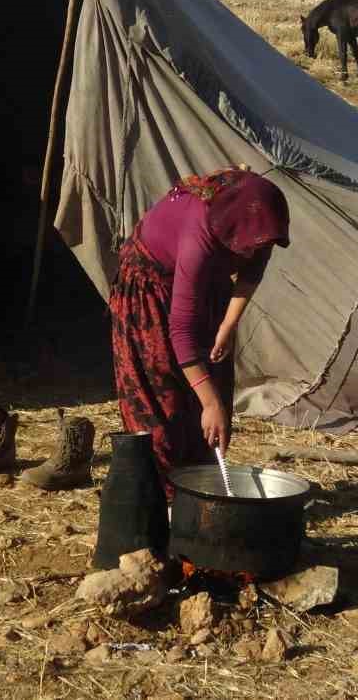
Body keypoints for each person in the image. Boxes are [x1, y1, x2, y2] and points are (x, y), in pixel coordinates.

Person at [110, 167, 291, 500]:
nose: (254, 251)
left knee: (212, 388)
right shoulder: (200, 237)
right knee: (161, 398)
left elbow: (253, 272)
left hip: (206, 287)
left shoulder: (257, 223)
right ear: (231, 233)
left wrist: (227, 324)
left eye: (260, 246)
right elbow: (181, 331)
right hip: (149, 288)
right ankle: (162, 507)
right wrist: (211, 404)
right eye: (250, 247)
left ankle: (199, 494)